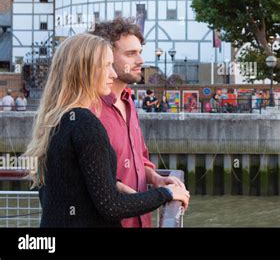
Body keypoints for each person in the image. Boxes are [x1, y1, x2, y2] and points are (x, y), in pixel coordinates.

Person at [23, 34, 189, 227]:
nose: (113, 74)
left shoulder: (57, 119)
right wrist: (167, 193)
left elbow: (65, 183)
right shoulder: (86, 124)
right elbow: (111, 207)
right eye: (106, 66)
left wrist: (113, 184)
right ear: (84, 71)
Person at [91, 18, 187, 227]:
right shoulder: (89, 111)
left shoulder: (128, 101)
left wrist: (156, 178)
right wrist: (163, 193)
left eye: (140, 51)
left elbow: (138, 159)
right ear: (104, 57)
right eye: (130, 54)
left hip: (140, 220)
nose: (141, 60)